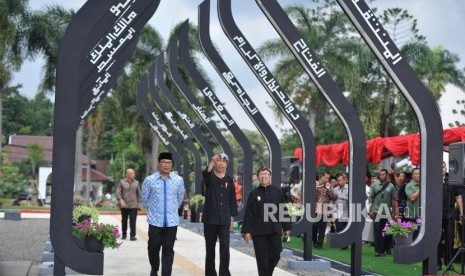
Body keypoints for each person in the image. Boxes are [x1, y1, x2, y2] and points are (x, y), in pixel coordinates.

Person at [241, 166, 291, 276]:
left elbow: (284, 210)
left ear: (270, 176)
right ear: (258, 177)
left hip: (274, 230)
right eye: (261, 174)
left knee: (276, 255)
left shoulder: (277, 192)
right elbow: (249, 214)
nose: (263, 176)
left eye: (266, 174)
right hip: (259, 232)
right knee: (262, 259)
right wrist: (247, 231)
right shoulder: (253, 194)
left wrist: (287, 227)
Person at [142, 152, 185, 276]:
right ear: (158, 164)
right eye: (163, 162)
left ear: (172, 165)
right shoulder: (149, 180)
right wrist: (155, 208)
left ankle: (166, 274)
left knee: (168, 250)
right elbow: (145, 200)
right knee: (153, 248)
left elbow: (180, 198)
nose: (166, 165)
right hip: (155, 221)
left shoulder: (178, 180)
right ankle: (154, 268)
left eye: (168, 163)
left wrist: (171, 209)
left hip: (171, 222)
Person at [202, 153, 238, 276]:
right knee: (210, 248)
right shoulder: (209, 178)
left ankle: (224, 273)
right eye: (219, 161)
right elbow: (205, 173)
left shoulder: (229, 179)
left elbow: (232, 200)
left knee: (225, 248)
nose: (221, 164)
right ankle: (210, 273)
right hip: (210, 219)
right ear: (216, 163)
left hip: (225, 220)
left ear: (227, 164)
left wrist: (232, 218)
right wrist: (212, 161)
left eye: (224, 162)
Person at [438, 161, 463, 270]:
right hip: (436, 215)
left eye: (443, 167)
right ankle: (437, 262)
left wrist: (461, 212)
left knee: (450, 238)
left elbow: (458, 197)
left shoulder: (452, 180)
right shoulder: (432, 180)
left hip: (450, 214)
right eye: (439, 167)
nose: (442, 169)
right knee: (436, 239)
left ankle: (448, 261)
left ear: (446, 168)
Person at [369, 169, 398, 257]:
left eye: (383, 174)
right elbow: (371, 198)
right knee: (377, 231)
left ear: (387, 175)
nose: (381, 176)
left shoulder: (391, 186)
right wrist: (371, 210)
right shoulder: (374, 185)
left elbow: (394, 200)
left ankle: (385, 248)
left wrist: (395, 212)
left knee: (386, 231)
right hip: (377, 211)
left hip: (387, 212)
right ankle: (378, 251)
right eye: (380, 175)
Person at [116, 168, 141, 241]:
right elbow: (118, 192)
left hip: (133, 205)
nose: (134, 175)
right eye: (132, 173)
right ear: (127, 174)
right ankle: (124, 234)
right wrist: (120, 200)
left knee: (133, 221)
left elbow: (138, 194)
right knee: (124, 220)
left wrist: (139, 203)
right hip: (124, 205)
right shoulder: (122, 182)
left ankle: (132, 235)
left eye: (134, 173)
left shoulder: (136, 182)